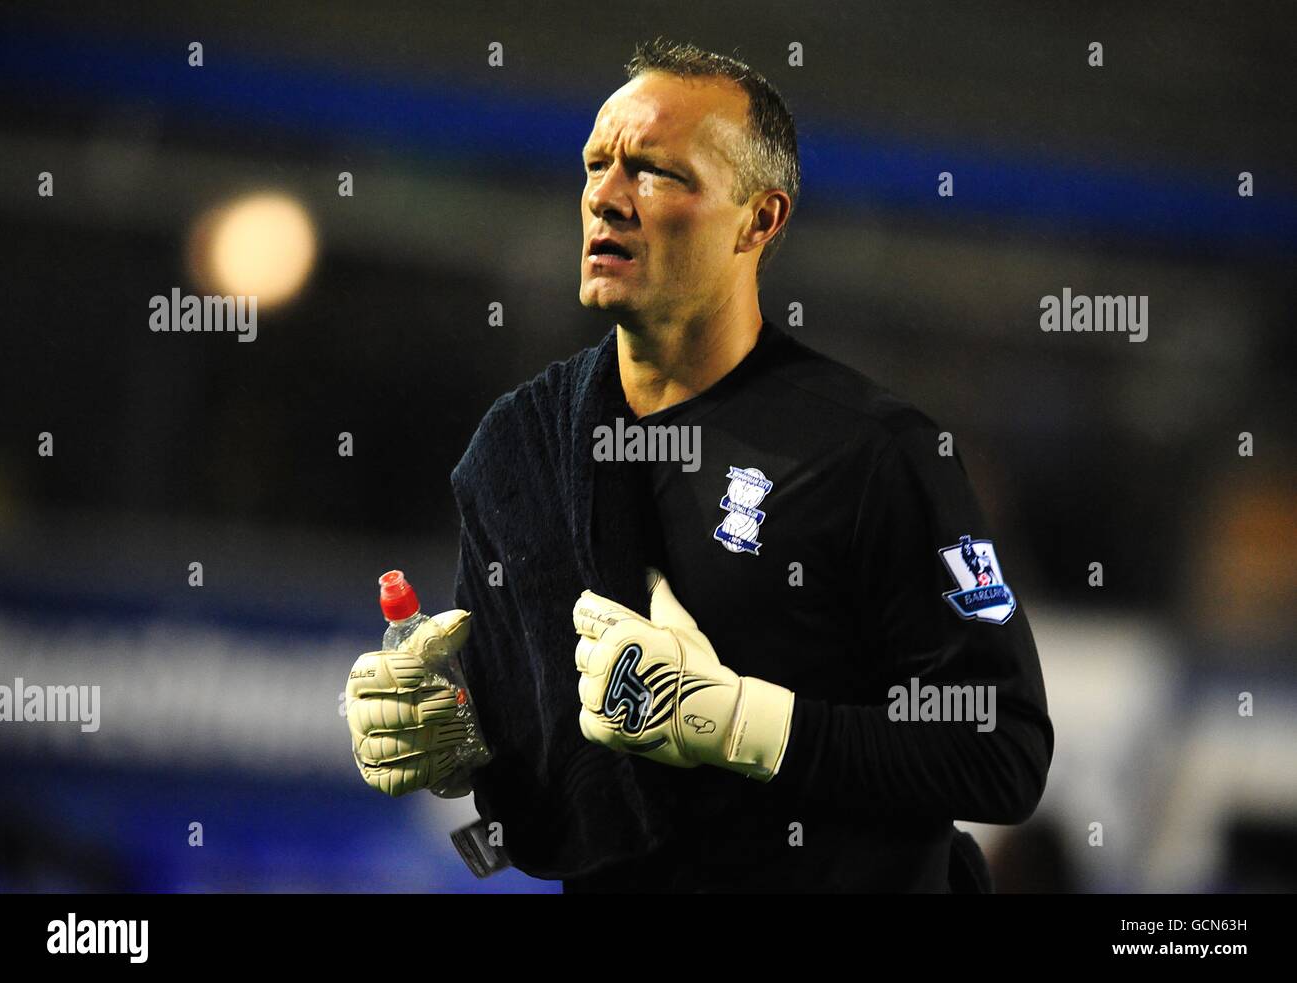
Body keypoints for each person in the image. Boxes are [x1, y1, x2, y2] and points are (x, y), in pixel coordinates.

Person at [345, 37, 1053, 892]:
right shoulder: (521, 448)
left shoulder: (869, 454)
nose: (606, 196)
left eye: (655, 172)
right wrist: (456, 738)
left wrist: (740, 723)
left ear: (760, 218)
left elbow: (1002, 749)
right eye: (596, 164)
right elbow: (528, 788)